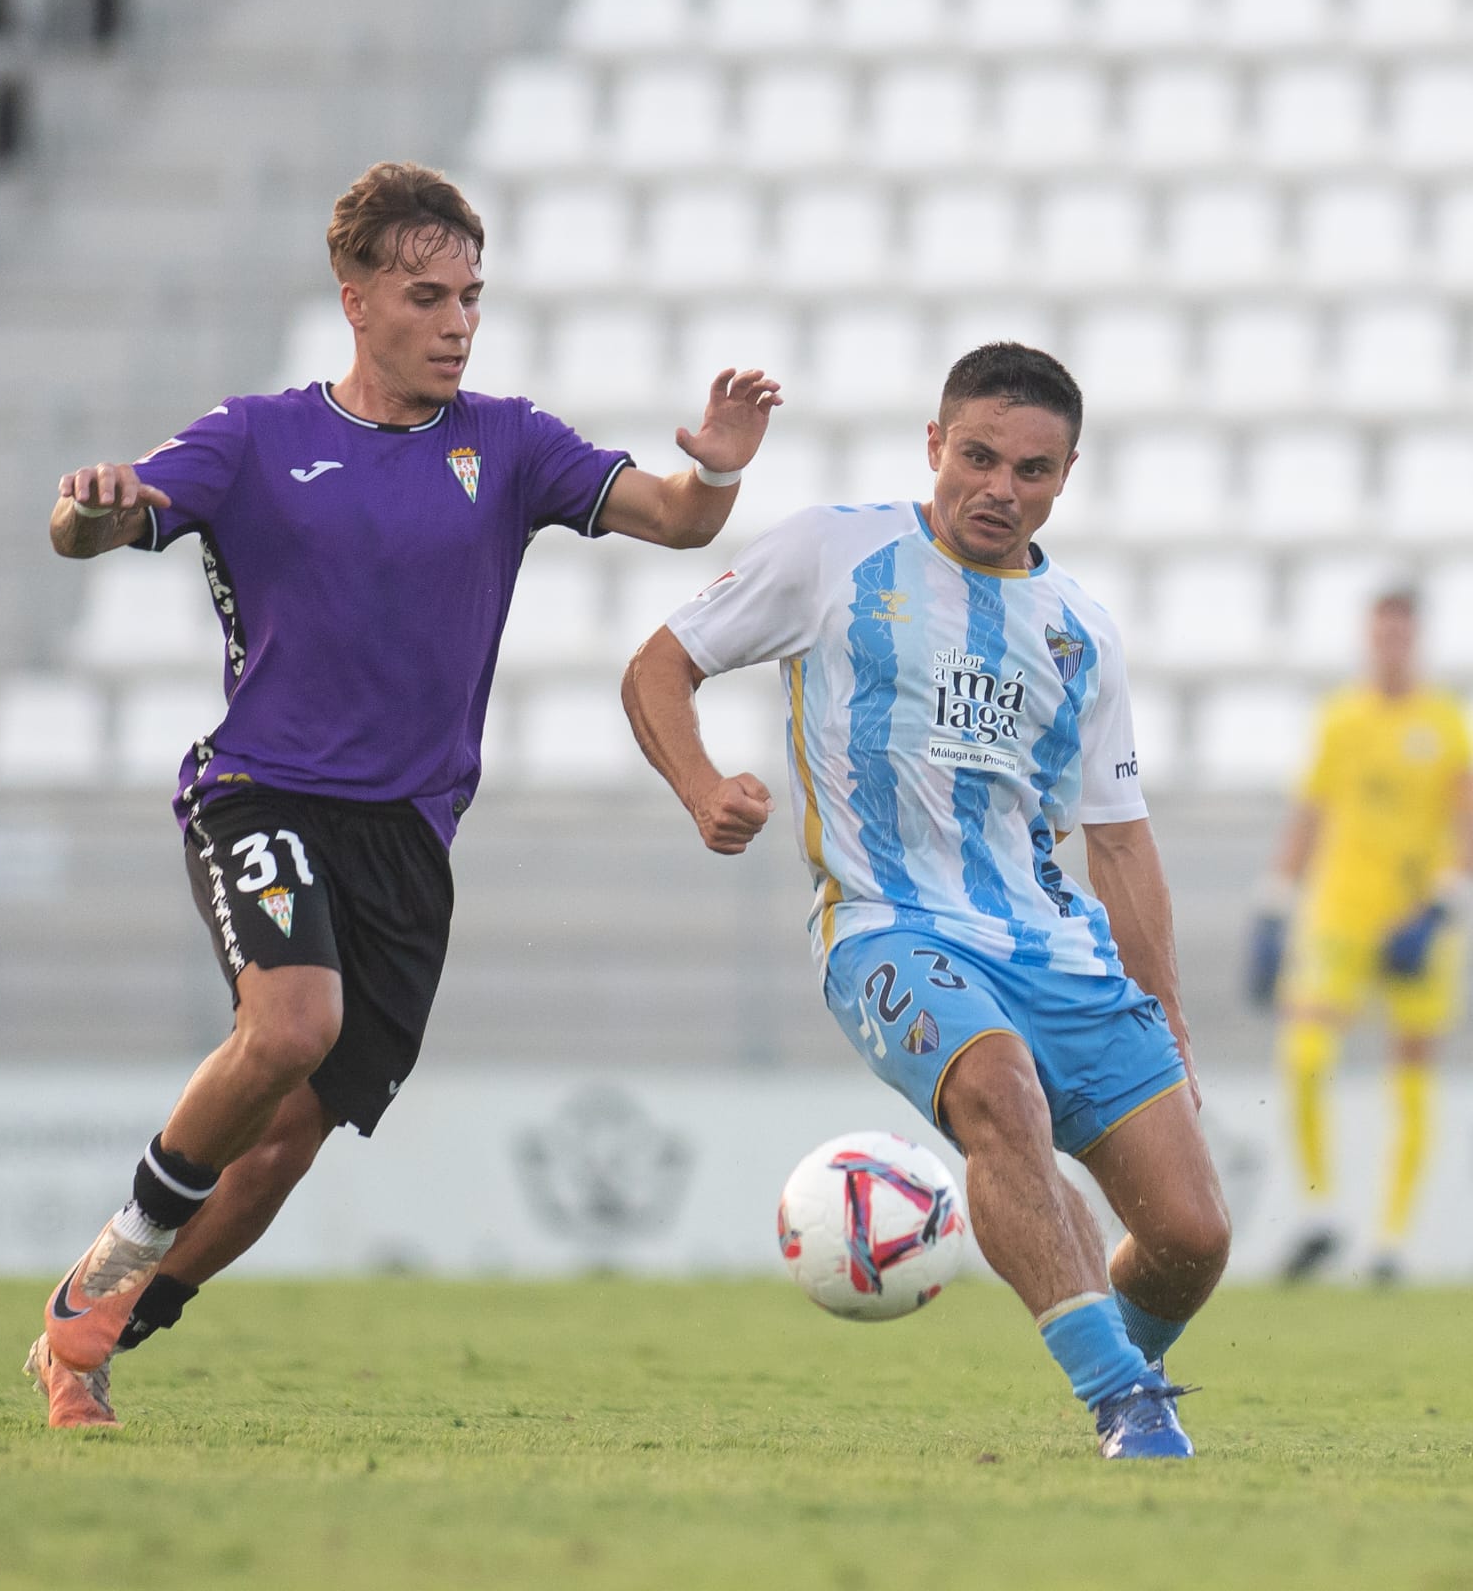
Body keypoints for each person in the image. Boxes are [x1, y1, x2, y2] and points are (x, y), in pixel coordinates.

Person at [24, 159, 783, 1428]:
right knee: (289, 1026)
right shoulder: (255, 437)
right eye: (428, 295)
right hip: (261, 791)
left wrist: (712, 472)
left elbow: (673, 520)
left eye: (473, 296)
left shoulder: (510, 441)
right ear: (357, 299)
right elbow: (91, 527)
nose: (457, 322)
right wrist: (90, 506)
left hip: (408, 837)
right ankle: (98, 1278)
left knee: (286, 1139)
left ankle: (99, 1329)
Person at [621, 343, 1231, 1460]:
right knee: (998, 1093)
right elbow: (658, 665)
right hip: (886, 928)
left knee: (1192, 1234)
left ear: (1067, 473)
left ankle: (1104, 1356)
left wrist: (1171, 1015)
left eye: (1034, 470)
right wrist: (702, 785)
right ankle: (1123, 1406)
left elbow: (1121, 842)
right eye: (980, 456)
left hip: (1051, 945)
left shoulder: (1080, 628)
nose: (1002, 487)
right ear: (934, 446)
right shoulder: (832, 552)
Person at [1249, 588, 1472, 1283]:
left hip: (1414, 919)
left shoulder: (1446, 723)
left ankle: (1391, 1241)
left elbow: (1464, 824)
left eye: (1402, 634)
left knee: (1410, 1070)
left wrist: (1442, 909)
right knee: (1307, 1055)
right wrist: (1275, 904)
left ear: (1417, 639)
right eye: (1382, 634)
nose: (1391, 645)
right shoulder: (1341, 719)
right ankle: (1321, 1213)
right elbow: (1309, 814)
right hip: (1339, 913)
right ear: (1369, 637)